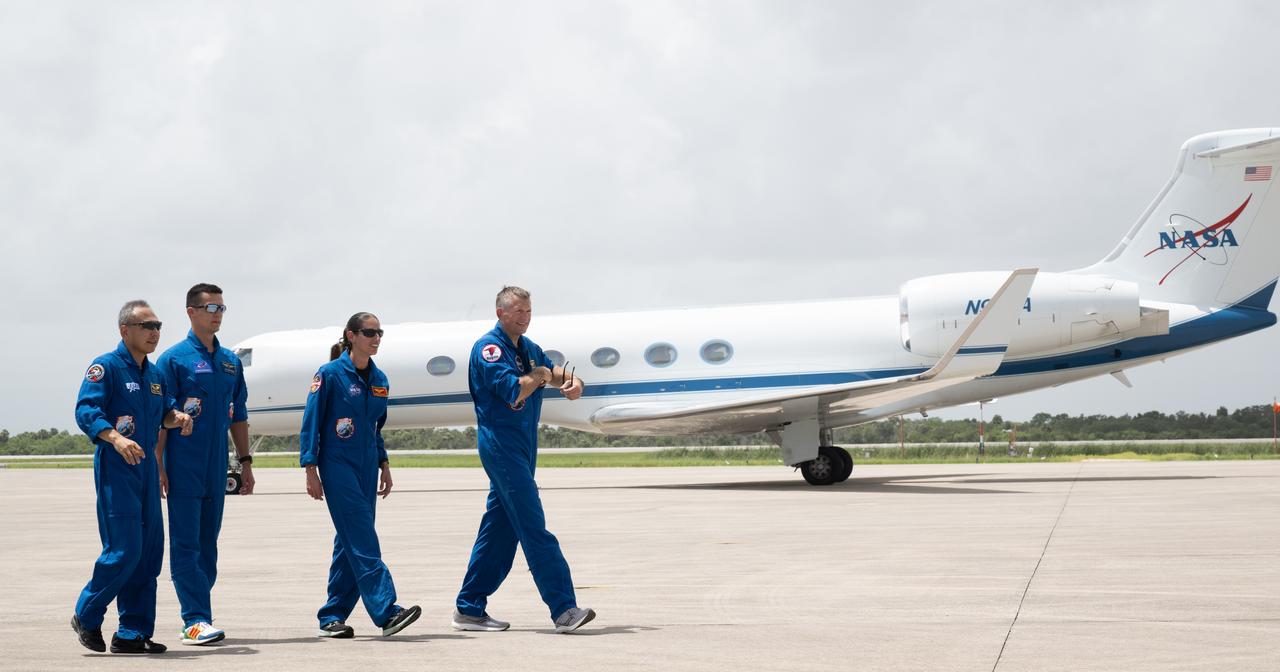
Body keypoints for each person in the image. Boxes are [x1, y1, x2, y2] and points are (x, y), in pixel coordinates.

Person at [452, 286, 595, 634]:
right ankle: (563, 609)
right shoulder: (489, 349)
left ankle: (469, 608)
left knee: (499, 532)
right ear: (501, 313)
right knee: (533, 527)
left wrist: (574, 381)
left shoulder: (529, 348)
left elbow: (553, 372)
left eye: (529, 311)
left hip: (523, 448)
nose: (525, 317)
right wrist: (543, 375)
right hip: (501, 447)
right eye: (518, 312)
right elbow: (516, 388)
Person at [72, 300, 192, 654]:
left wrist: (177, 418)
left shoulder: (155, 376)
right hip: (116, 470)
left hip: (146, 473)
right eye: (146, 325)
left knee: (149, 555)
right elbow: (86, 410)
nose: (154, 332)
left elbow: (163, 414)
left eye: (157, 326)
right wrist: (115, 437)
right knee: (125, 550)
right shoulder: (105, 367)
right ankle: (87, 614)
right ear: (125, 330)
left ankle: (132, 632)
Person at [299, 312, 420, 639]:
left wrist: (384, 464)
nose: (376, 337)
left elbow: (374, 428)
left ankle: (332, 615)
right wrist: (310, 468)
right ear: (351, 336)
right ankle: (386, 611)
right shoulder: (330, 374)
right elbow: (311, 422)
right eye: (369, 332)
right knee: (362, 536)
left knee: (349, 540)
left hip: (367, 465)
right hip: (336, 464)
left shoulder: (380, 379)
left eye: (379, 332)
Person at [154, 283, 251, 645]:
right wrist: (159, 465)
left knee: (208, 544)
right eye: (211, 308)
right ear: (191, 312)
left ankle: (200, 613)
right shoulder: (173, 360)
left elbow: (238, 415)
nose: (218, 314)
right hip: (183, 464)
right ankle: (194, 619)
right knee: (185, 543)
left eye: (222, 308)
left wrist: (245, 462)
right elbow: (160, 415)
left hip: (215, 466)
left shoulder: (230, 361)